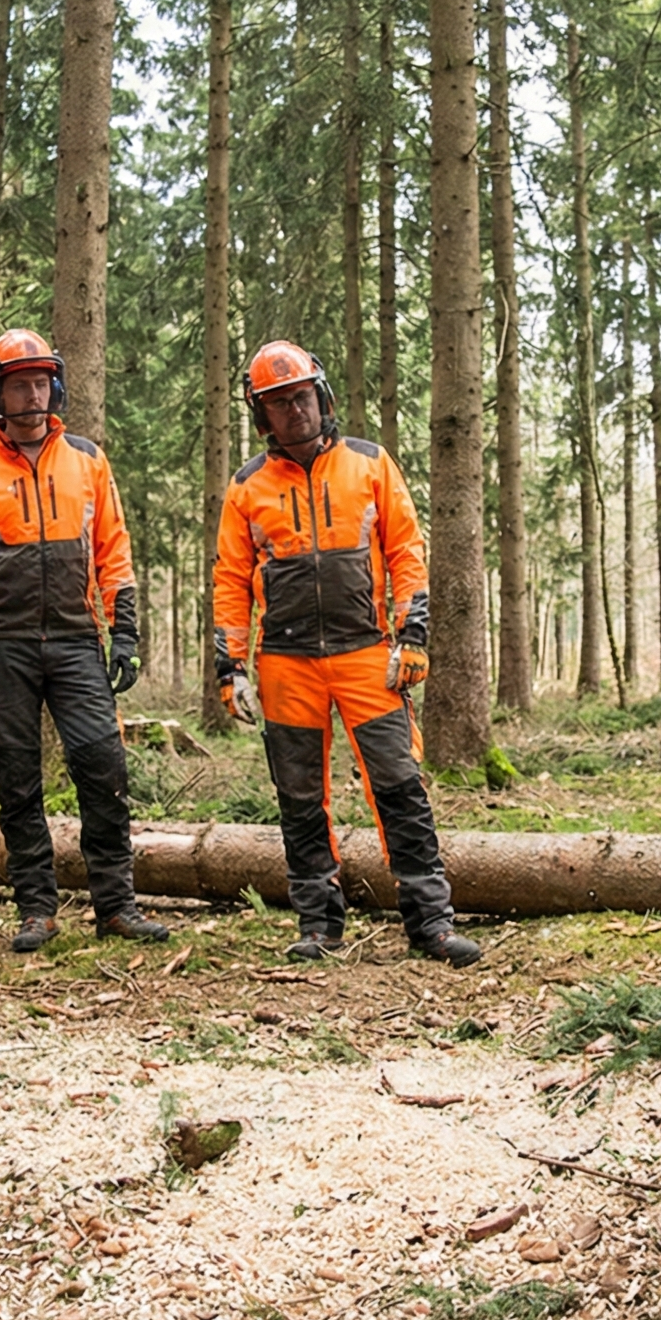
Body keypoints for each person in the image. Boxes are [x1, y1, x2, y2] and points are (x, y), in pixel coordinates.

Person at [210, 340, 480, 968]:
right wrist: (231, 663)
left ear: (321, 396)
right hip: (284, 659)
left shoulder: (370, 463)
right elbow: (230, 579)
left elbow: (406, 553)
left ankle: (430, 922)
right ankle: (317, 921)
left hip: (367, 652)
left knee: (400, 786)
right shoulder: (247, 487)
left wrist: (413, 634)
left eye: (300, 397)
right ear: (262, 416)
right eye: (278, 404)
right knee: (300, 797)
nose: (294, 412)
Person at [0, 329, 169, 952]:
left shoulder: (87, 460)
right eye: (18, 385)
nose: (31, 396)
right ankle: (35, 906)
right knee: (17, 778)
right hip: (1, 641)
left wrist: (125, 632)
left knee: (103, 764)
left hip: (73, 636)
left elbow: (113, 549)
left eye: (40, 383)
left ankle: (116, 902)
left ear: (55, 387)